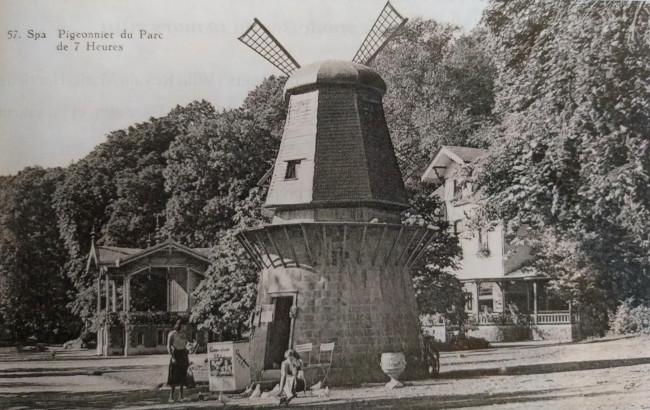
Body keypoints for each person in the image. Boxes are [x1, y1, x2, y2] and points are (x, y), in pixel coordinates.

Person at [167, 319, 190, 402]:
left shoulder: (184, 334)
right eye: (184, 325)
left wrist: (189, 348)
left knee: (182, 375)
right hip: (176, 354)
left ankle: (181, 396)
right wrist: (172, 357)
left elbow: (185, 344)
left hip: (183, 354)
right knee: (173, 376)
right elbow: (168, 346)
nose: (186, 327)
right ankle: (171, 396)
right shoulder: (172, 334)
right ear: (181, 325)